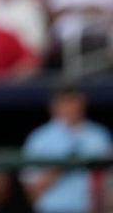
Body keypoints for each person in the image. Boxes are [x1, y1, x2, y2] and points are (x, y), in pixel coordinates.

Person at [21, 85, 112, 213]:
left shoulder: (99, 135)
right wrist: (61, 165)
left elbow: (108, 182)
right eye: (66, 101)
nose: (72, 107)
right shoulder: (40, 138)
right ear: (54, 106)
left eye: (74, 100)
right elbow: (31, 188)